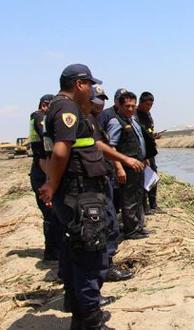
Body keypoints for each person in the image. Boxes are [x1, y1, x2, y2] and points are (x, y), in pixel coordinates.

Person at [39, 64, 111, 329]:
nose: (92, 90)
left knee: (75, 250)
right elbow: (60, 152)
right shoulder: (67, 108)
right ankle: (91, 322)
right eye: (90, 84)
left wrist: (52, 184)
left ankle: (79, 314)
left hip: (75, 192)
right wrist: (51, 185)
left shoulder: (60, 108)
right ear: (79, 84)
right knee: (91, 256)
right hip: (79, 193)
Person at [90, 86, 140, 282]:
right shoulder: (106, 120)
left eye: (102, 98)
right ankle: (105, 267)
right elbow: (106, 146)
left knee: (110, 221)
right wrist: (122, 163)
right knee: (107, 224)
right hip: (93, 181)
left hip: (101, 176)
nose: (99, 102)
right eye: (96, 98)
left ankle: (105, 265)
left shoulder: (95, 119)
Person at [104, 91, 149, 239]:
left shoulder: (133, 120)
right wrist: (119, 168)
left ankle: (138, 226)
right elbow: (112, 147)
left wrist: (144, 157)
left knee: (138, 196)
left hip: (138, 164)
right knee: (128, 199)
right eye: (127, 106)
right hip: (127, 167)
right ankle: (131, 230)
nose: (130, 109)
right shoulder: (116, 122)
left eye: (133, 106)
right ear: (119, 105)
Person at [29, 94, 62, 261]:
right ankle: (51, 252)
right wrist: (50, 182)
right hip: (42, 171)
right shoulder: (40, 118)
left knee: (54, 213)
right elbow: (43, 158)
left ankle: (55, 248)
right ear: (44, 105)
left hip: (43, 169)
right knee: (50, 213)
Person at [136, 91, 162, 214]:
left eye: (151, 105)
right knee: (142, 179)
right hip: (140, 152)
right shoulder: (134, 114)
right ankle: (144, 206)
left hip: (150, 151)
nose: (149, 107)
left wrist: (154, 135)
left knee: (153, 176)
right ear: (140, 103)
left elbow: (149, 131)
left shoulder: (148, 115)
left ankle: (153, 204)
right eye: (147, 104)